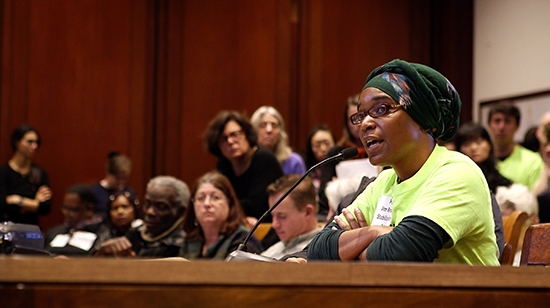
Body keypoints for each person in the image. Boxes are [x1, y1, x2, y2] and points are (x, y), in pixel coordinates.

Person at [307, 59, 499, 265]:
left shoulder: (457, 172)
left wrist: (352, 251)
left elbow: (401, 253)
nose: (365, 124)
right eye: (360, 115)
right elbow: (318, 251)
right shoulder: (385, 181)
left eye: (381, 109)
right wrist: (372, 233)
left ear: (421, 118)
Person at [203, 110, 284, 225]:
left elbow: (256, 207)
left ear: (246, 134)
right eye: (223, 139)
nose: (230, 141)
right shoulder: (223, 164)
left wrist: (222, 208)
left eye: (235, 135)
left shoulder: (264, 159)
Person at [454, 122, 537, 218]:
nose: (473, 148)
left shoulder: (502, 184)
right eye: (466, 144)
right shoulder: (456, 180)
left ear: (489, 145)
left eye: (479, 142)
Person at [95, 175, 189, 258]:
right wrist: (104, 254)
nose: (150, 212)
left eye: (161, 207)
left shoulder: (184, 244)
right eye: (147, 204)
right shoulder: (135, 233)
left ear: (180, 211)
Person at [180, 171, 262, 260]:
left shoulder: (244, 240)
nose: (207, 204)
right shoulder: (189, 241)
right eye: (201, 198)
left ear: (229, 203)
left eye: (215, 197)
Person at [317, 94, 368, 216]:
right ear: (347, 123)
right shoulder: (337, 152)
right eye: (354, 118)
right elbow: (323, 193)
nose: (360, 123)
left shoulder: (380, 149)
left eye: (362, 116)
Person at [0, 124, 52, 226]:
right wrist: (34, 203)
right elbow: (3, 205)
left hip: (31, 228)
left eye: (36, 142)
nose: (34, 146)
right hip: (7, 227)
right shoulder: (3, 173)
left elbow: (45, 207)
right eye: (29, 142)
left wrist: (18, 200)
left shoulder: (40, 173)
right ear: (17, 142)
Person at [261, 174, 322, 259]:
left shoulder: (322, 252)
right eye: (272, 216)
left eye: (282, 216)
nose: (274, 225)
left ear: (307, 212)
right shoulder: (273, 249)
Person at [487, 103, 543, 190]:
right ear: (489, 125)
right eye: (497, 121)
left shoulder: (533, 162)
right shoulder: (480, 160)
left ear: (517, 126)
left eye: (508, 121)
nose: (501, 127)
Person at [44, 184, 105, 256]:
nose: (67, 214)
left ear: (89, 209)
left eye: (73, 210)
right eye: (65, 208)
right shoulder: (53, 232)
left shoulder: (102, 234)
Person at [251, 106, 306, 175]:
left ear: (280, 133)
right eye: (263, 125)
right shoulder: (247, 162)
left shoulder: (294, 162)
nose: (269, 130)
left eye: (274, 126)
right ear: (254, 130)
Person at [305, 125, 336, 197]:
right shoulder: (307, 172)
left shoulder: (341, 168)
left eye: (327, 143)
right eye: (317, 145)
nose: (323, 149)